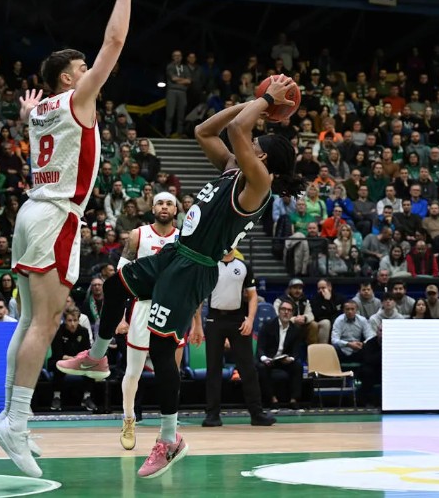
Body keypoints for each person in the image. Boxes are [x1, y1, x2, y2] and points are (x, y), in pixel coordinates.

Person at [56, 74, 300, 478]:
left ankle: (169, 439)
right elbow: (204, 130)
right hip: (175, 254)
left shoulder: (258, 185)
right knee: (116, 286)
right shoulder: (232, 168)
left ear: (263, 158)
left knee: (160, 350)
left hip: (194, 268)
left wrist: (265, 102)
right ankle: (97, 358)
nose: (248, 142)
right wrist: (256, 101)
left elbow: (238, 130)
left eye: (255, 143)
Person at [0, 0, 130, 479]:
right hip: (55, 214)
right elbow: (115, 40)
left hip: (32, 211)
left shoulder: (41, 110)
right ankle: (16, 421)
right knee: (46, 322)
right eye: (83, 68)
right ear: (69, 79)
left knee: (28, 320)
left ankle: (10, 419)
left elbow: (34, 116)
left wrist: (28, 111)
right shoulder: (75, 99)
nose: (90, 72)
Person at [114, 192, 182, 450]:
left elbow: (190, 280)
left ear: (175, 210)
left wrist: (195, 319)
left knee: (170, 374)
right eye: (160, 203)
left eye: (169, 203)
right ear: (152, 208)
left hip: (172, 308)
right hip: (142, 305)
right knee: (133, 372)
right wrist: (120, 316)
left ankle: (168, 429)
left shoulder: (183, 238)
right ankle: (128, 418)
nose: (164, 207)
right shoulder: (137, 235)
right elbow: (121, 275)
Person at [202, 250, 275, 428]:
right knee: (213, 368)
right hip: (214, 319)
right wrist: (196, 324)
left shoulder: (243, 266)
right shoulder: (210, 265)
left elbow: (252, 295)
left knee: (248, 368)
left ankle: (257, 414)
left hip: (238, 319)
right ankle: (212, 415)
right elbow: (198, 295)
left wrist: (250, 319)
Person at [257, 301, 304, 410]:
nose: (286, 312)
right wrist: (264, 358)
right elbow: (260, 347)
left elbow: (296, 351)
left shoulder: (295, 329)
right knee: (261, 367)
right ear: (279, 311)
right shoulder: (268, 325)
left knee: (298, 366)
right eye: (283, 309)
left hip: (284, 360)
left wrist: (291, 358)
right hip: (269, 360)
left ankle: (294, 400)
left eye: (289, 310)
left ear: (292, 313)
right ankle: (272, 399)